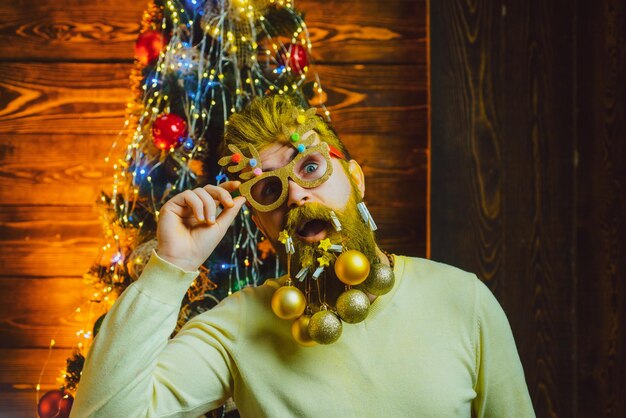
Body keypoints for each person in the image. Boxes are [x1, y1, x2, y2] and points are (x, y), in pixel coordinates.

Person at [70, 95, 535, 417]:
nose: (295, 194)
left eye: (310, 167)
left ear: (355, 178)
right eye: (269, 189)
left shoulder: (463, 300)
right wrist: (170, 269)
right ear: (260, 223)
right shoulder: (236, 328)